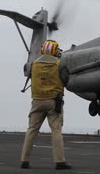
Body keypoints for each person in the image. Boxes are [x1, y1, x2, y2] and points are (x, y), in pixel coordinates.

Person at [20, 40, 72, 169]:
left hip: (37, 101)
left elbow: (28, 73)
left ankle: (24, 161)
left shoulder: (33, 64)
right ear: (55, 50)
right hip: (54, 102)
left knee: (31, 130)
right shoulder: (60, 64)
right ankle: (60, 162)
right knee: (56, 131)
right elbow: (66, 80)